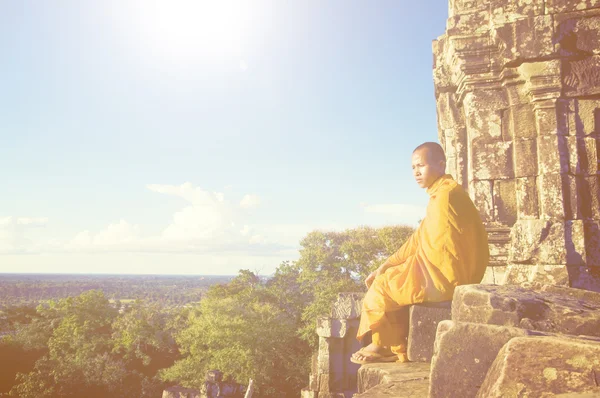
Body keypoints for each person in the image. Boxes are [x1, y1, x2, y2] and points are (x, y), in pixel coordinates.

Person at [351, 142, 489, 364]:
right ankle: (394, 345)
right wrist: (386, 264)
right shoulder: (443, 193)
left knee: (383, 286)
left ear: (441, 164)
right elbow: (420, 238)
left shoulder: (446, 196)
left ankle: (383, 347)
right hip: (451, 272)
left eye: (421, 165)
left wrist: (392, 271)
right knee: (388, 277)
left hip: (445, 277)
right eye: (413, 167)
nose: (416, 172)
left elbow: (439, 250)